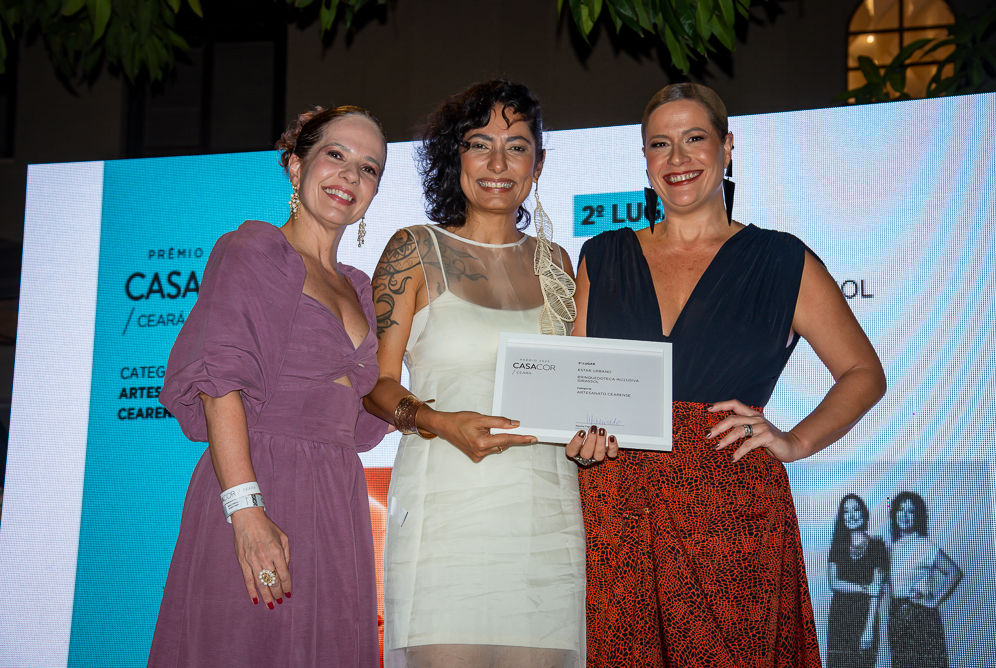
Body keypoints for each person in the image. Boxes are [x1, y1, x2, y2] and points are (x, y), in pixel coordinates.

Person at [569, 82, 888, 668]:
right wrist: (581, 440)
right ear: (645, 159)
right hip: (618, 501)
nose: (678, 159)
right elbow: (577, 387)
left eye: (695, 139)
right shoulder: (602, 256)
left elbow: (863, 372)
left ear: (728, 146)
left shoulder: (781, 259)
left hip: (729, 504)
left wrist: (794, 440)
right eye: (660, 145)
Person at [150, 106, 389, 667]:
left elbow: (362, 424)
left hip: (337, 500)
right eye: (336, 156)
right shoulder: (254, 251)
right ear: (294, 166)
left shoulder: (359, 288)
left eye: (369, 168)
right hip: (260, 483)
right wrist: (247, 512)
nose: (350, 177)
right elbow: (219, 386)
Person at [364, 80, 585, 668]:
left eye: (516, 147)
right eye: (478, 143)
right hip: (447, 511)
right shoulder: (415, 248)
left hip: (545, 516)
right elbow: (376, 387)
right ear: (452, 156)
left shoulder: (558, 263)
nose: (497, 163)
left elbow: (578, 386)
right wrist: (440, 421)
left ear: (538, 163)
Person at [887, 491, 961, 668]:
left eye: (910, 511)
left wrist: (934, 601)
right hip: (896, 615)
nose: (904, 515)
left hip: (921, 616)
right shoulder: (890, 548)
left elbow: (954, 572)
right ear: (894, 514)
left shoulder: (924, 545)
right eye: (900, 510)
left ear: (917, 516)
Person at [826, 494, 887, 668]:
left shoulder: (877, 546)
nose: (851, 516)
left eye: (856, 509)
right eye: (846, 511)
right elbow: (834, 583)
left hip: (864, 618)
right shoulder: (838, 545)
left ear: (864, 513)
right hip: (839, 619)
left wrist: (868, 630)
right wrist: (864, 588)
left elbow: (876, 593)